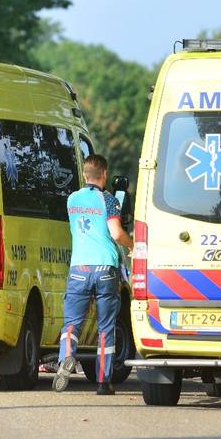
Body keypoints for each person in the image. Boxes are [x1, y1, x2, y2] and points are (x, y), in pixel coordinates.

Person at [54, 154, 133, 395]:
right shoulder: (108, 200)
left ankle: (67, 356)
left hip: (79, 268)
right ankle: (102, 382)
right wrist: (132, 245)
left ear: (85, 174)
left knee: (72, 324)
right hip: (104, 269)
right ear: (105, 175)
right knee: (105, 327)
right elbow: (116, 233)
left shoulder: (72, 199)